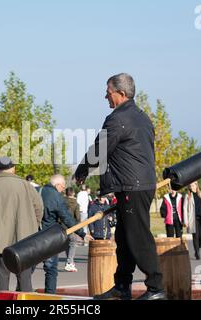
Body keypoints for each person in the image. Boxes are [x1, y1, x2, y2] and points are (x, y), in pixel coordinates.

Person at [74, 73, 165, 300]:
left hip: (132, 187)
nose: (106, 96)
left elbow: (99, 149)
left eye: (108, 91)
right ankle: (121, 287)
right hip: (138, 185)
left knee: (138, 238)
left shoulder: (117, 119)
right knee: (124, 239)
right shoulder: (143, 117)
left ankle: (156, 288)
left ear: (121, 94)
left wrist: (82, 170)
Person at [0, 157, 43, 292]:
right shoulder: (26, 185)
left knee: (1, 281)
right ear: (13, 168)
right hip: (25, 240)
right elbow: (39, 208)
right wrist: (32, 228)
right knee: (25, 280)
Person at [41, 175, 93, 293]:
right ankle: (50, 296)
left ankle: (22, 291)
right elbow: (67, 218)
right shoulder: (55, 196)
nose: (63, 190)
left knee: (30, 266)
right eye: (62, 187)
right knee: (51, 269)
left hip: (35, 234)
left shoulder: (40, 191)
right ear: (57, 185)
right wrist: (82, 233)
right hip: (49, 235)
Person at [183, 181, 201, 260]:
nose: (191, 187)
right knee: (195, 236)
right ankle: (197, 252)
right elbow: (185, 209)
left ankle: (197, 249)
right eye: (190, 186)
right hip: (193, 219)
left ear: (196, 185)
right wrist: (186, 221)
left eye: (193, 185)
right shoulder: (188, 196)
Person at [63, 187, 81, 272]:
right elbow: (78, 217)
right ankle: (69, 262)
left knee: (68, 244)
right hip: (71, 226)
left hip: (61, 227)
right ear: (73, 193)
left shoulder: (61, 201)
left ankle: (70, 261)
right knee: (73, 243)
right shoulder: (75, 204)